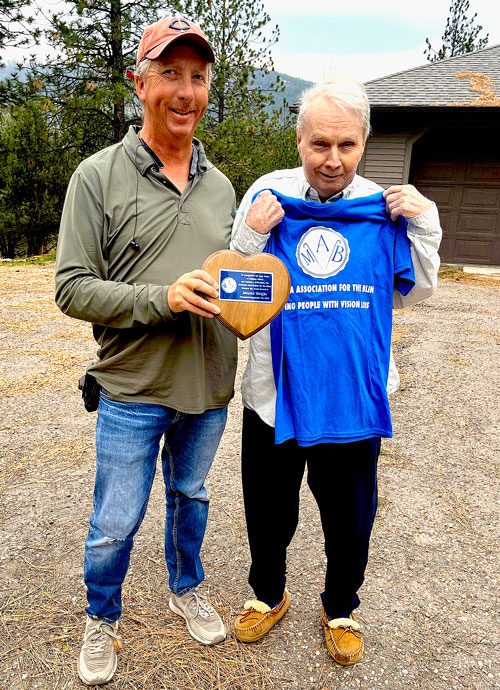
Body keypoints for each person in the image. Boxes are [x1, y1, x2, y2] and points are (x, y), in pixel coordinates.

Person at [230, 77, 441, 666]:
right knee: (267, 509)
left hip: (353, 396)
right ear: (298, 140)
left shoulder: (385, 207)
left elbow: (414, 294)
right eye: (320, 143)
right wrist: (252, 236)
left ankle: (341, 606)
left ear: (364, 144)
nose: (333, 159)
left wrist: (425, 226)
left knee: (350, 514)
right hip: (275, 395)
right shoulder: (267, 196)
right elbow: (239, 297)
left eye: (346, 146)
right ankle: (266, 595)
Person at [55, 16, 237, 686]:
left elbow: (241, 280)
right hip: (131, 388)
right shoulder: (96, 177)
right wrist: (161, 299)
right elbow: (72, 288)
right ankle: (101, 617)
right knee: (115, 521)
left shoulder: (223, 187)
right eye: (170, 74)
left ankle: (185, 587)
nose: (186, 91)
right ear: (140, 83)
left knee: (190, 496)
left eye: (197, 76)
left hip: (210, 386)